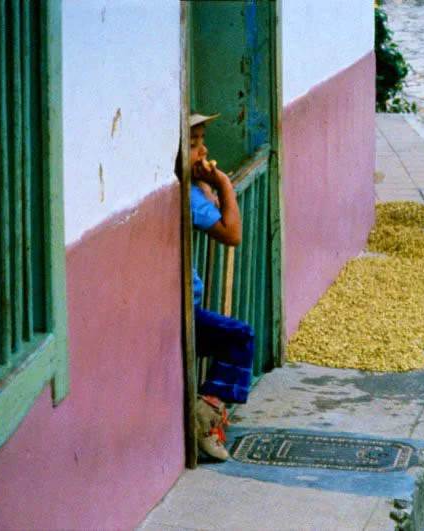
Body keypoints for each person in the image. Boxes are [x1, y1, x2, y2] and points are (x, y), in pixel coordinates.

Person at [175, 112, 244, 461]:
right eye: (192, 144)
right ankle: (205, 421)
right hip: (182, 309)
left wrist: (205, 186)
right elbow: (232, 234)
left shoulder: (189, 190)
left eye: (202, 142)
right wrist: (223, 185)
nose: (202, 152)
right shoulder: (187, 196)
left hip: (187, 304)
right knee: (238, 337)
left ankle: (210, 412)